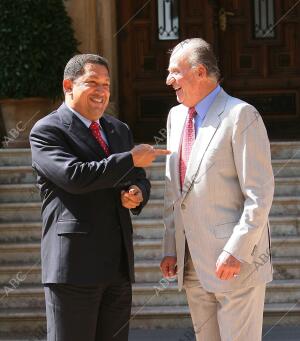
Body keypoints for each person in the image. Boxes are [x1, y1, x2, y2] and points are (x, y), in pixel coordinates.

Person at [30, 54, 169, 341]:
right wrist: (131, 159)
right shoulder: (46, 131)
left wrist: (137, 193)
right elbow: (75, 177)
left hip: (117, 267)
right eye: (92, 82)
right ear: (68, 85)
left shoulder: (118, 129)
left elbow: (138, 177)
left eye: (106, 84)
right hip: (73, 268)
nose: (102, 91)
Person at [160, 38, 274, 341]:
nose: (168, 80)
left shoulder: (241, 115)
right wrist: (171, 247)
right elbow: (174, 191)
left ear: (199, 72)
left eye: (175, 72)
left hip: (235, 263)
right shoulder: (176, 117)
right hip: (192, 262)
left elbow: (259, 195)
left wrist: (237, 250)